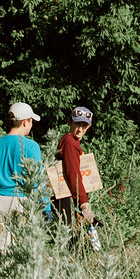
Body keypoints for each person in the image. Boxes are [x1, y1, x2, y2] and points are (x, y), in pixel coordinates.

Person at [0, 102, 43, 250]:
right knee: (23, 249)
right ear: (25, 122)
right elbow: (38, 179)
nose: (31, 125)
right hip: (21, 200)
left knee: (0, 249)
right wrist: (45, 205)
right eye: (31, 121)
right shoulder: (31, 146)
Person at [53, 106, 101, 250]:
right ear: (70, 122)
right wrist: (83, 202)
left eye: (84, 126)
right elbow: (73, 174)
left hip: (67, 194)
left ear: (89, 126)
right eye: (77, 124)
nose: (80, 129)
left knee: (69, 235)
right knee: (68, 237)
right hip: (65, 196)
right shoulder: (70, 143)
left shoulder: (70, 140)